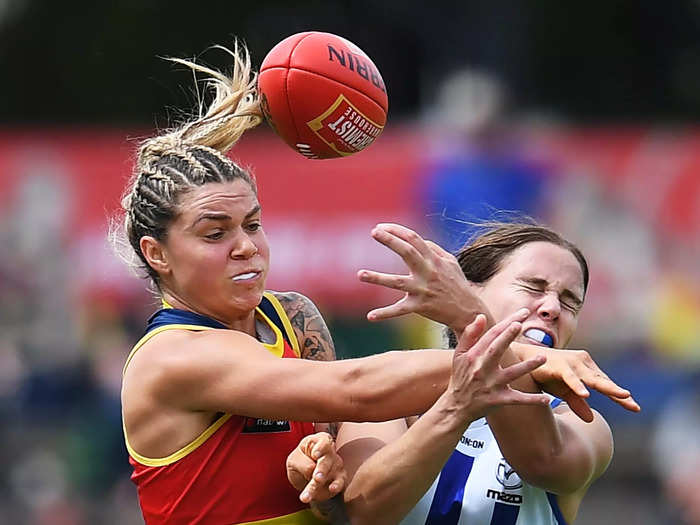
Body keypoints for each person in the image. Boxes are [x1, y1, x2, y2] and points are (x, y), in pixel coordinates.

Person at [117, 43, 561, 525]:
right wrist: (532, 359)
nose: (245, 246)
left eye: (253, 224)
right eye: (214, 233)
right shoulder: (171, 356)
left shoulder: (292, 316)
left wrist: (324, 473)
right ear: (156, 253)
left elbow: (344, 503)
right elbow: (355, 390)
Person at [287, 222, 641, 524]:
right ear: (465, 290)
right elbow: (366, 511)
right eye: (534, 287)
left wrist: (475, 325)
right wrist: (457, 404)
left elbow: (543, 461)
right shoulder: (398, 393)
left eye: (569, 302)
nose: (551, 307)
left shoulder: (582, 424)